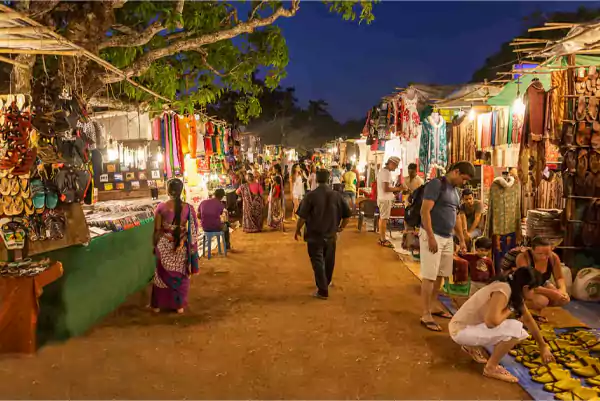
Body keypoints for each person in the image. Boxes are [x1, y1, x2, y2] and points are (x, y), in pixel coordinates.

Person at [449, 267, 554, 383]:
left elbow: (528, 320)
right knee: (516, 328)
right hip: (460, 331)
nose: (534, 293)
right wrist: (511, 308)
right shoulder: (503, 290)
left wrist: (543, 346)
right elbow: (491, 322)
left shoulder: (510, 287)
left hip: (462, 327)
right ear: (525, 288)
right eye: (534, 289)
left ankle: (470, 346)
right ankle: (491, 368)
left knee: (519, 329)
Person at [420, 161, 475, 332]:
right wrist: (430, 236)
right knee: (429, 275)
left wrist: (461, 238)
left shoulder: (456, 192)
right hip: (433, 235)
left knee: (440, 275)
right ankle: (425, 313)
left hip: (447, 237)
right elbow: (425, 211)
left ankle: (434, 305)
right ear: (456, 172)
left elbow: (456, 217)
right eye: (463, 179)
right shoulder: (436, 185)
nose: (464, 183)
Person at [295, 169, 351, 299]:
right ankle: (326, 281)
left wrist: (298, 229)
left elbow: (302, 217)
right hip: (331, 234)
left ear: (316, 180)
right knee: (329, 259)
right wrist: (340, 227)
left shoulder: (310, 196)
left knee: (318, 261)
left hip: (314, 235)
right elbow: (347, 215)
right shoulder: (337, 196)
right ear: (328, 179)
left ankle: (322, 290)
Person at [151, 178, 199, 314]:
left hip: (163, 245)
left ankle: (157, 306)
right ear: (181, 190)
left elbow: (157, 230)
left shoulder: (161, 207)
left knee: (160, 276)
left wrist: (155, 246)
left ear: (167, 190)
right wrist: (189, 244)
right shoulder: (189, 208)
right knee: (180, 276)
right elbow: (194, 229)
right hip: (181, 246)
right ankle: (179, 306)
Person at [515, 236, 570, 322]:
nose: (544, 257)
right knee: (542, 301)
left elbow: (559, 277)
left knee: (562, 299)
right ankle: (517, 308)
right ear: (532, 250)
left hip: (541, 283)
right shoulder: (523, 257)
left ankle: (536, 312)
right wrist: (553, 293)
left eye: (547, 253)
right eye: (540, 254)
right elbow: (528, 283)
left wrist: (562, 290)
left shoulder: (553, 258)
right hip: (524, 286)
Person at [377, 156, 403, 248]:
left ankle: (382, 238)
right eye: (395, 165)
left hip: (383, 199)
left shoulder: (383, 172)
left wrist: (396, 190)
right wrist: (398, 188)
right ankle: (383, 239)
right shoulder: (386, 173)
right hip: (385, 200)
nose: (396, 168)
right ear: (391, 163)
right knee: (384, 219)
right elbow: (386, 188)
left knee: (382, 218)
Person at [267, 165, 285, 231]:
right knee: (278, 211)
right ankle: (281, 224)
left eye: (274, 169)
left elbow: (275, 190)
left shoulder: (277, 178)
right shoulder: (280, 176)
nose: (273, 170)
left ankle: (278, 225)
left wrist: (272, 185)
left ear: (277, 169)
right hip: (279, 197)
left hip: (275, 198)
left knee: (275, 212)